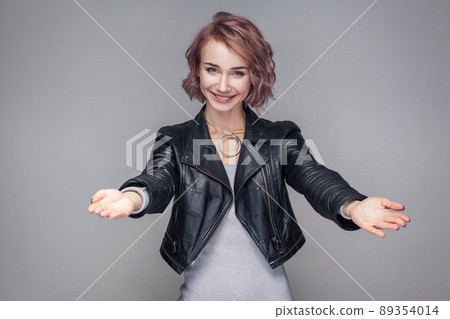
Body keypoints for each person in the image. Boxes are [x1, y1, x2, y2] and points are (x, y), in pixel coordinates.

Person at [87, 12, 410, 301]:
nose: (223, 85)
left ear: (254, 76)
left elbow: (313, 177)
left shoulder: (278, 137)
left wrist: (352, 205)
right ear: (197, 72)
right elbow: (157, 179)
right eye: (212, 69)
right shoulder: (176, 139)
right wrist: (131, 198)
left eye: (237, 72)